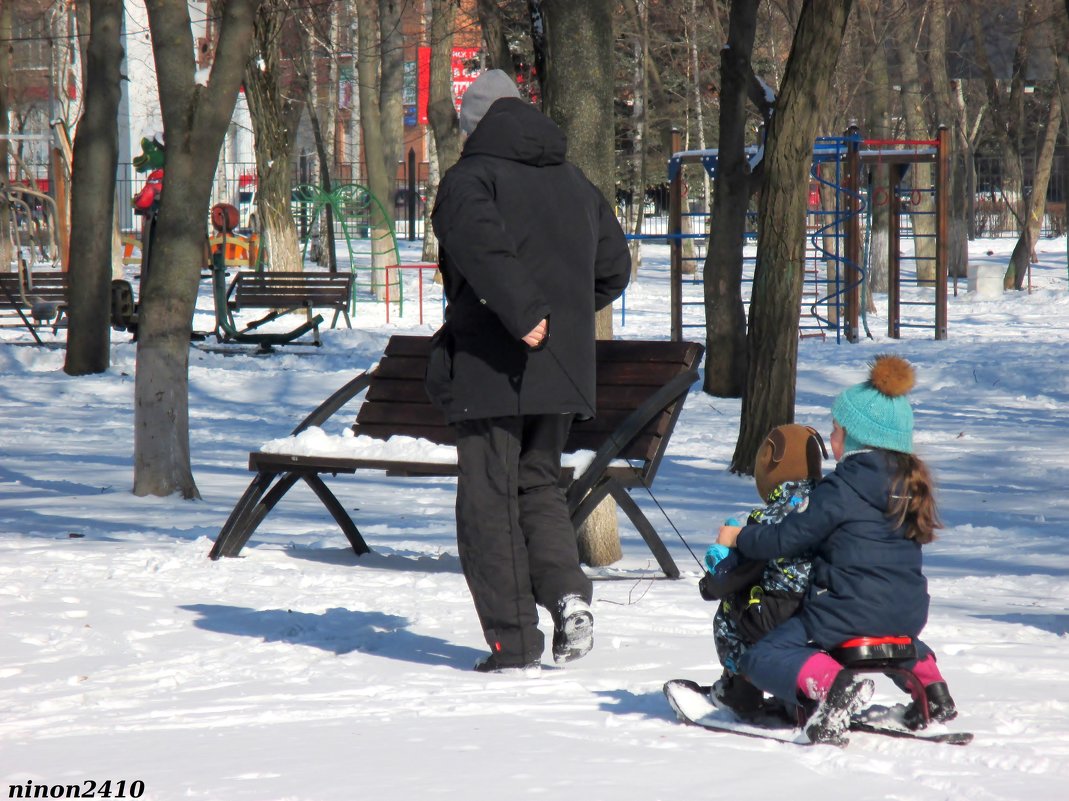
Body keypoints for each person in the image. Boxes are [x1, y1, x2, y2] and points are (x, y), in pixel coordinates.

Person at [426, 69, 631, 673]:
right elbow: (613, 269)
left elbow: (482, 246)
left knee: (488, 501)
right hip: (558, 368)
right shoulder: (573, 178)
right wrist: (558, 317)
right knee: (538, 486)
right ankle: (568, 596)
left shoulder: (470, 179)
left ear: (475, 125)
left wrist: (524, 314)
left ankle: (513, 641)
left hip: (494, 366)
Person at [716, 355, 957, 743]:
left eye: (835, 428)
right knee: (893, 638)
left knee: (762, 655)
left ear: (856, 437)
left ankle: (834, 685)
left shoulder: (844, 487)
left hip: (844, 612)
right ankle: (932, 688)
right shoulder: (911, 486)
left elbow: (787, 537)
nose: (831, 438)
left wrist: (742, 536)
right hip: (908, 614)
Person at [699, 423, 826, 721]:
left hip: (779, 610)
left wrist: (712, 585)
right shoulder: (829, 505)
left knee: (732, 614)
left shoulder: (770, 518)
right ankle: (796, 689)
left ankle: (741, 687)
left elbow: (744, 571)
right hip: (826, 605)